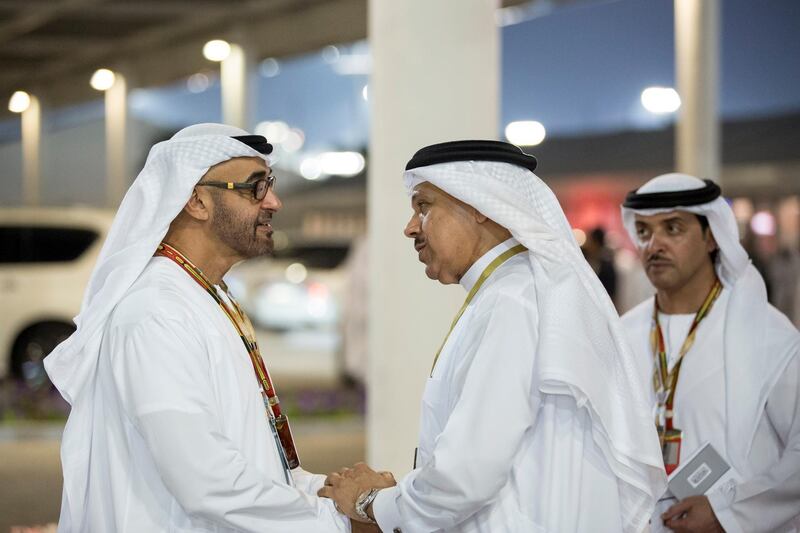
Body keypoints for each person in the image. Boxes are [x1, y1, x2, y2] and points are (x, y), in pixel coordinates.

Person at [319, 140, 666, 532]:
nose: (410, 227)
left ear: (479, 204)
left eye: (424, 206)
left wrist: (374, 503)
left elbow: (468, 471)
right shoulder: (512, 290)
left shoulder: (513, 301)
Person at [43, 123, 370, 532]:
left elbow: (252, 460)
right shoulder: (155, 311)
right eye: (255, 188)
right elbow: (206, 481)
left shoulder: (207, 295)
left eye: (270, 184)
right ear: (197, 201)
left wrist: (343, 495)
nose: (275, 201)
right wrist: (341, 523)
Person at [620, 173, 800, 533]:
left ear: (711, 237)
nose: (654, 245)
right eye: (643, 231)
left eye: (673, 229)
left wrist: (727, 514)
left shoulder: (766, 333)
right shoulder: (621, 334)